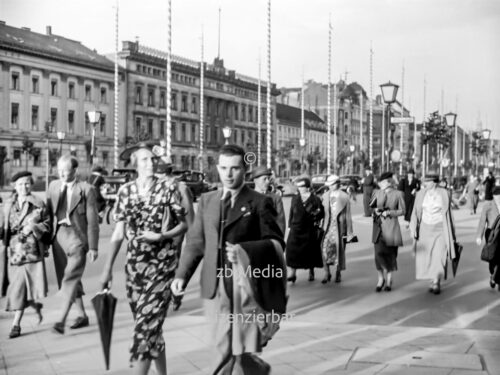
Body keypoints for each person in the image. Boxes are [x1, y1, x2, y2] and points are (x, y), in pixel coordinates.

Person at [171, 144, 286, 375]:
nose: (228, 174)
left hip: (243, 286)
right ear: (217, 168)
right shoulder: (207, 200)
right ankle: (254, 367)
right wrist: (181, 276)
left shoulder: (259, 202)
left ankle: (248, 367)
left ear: (244, 169)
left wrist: (245, 250)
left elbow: (275, 243)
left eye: (234, 168)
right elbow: (195, 241)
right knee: (226, 342)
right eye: (223, 168)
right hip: (214, 286)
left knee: (228, 344)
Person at [100, 143, 188, 375]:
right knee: (152, 329)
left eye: (152, 159)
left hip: (162, 265)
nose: (151, 163)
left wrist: (161, 235)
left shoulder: (167, 188)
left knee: (144, 328)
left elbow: (184, 224)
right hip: (135, 269)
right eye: (145, 160)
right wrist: (107, 269)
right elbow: (119, 233)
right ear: (135, 165)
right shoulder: (125, 191)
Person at [46, 155, 99, 334]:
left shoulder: (86, 189)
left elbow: (92, 221)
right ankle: (82, 315)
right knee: (69, 277)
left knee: (70, 277)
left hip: (77, 237)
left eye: (65, 170)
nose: (61, 173)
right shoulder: (53, 186)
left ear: (75, 171)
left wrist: (93, 247)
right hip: (58, 236)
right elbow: (46, 213)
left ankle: (60, 321)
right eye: (59, 170)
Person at [3, 171, 50, 338]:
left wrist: (33, 227)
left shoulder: (38, 203)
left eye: (27, 183)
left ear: (31, 184)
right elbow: (3, 227)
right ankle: (34, 306)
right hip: (13, 252)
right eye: (20, 184)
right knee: (16, 287)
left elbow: (47, 225)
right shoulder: (8, 204)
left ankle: (16, 324)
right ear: (15, 186)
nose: (24, 187)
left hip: (30, 251)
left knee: (20, 287)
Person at [410, 174, 457, 294]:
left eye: (428, 181)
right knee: (427, 256)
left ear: (435, 182)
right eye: (425, 181)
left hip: (440, 228)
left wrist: (452, 232)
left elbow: (449, 213)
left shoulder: (444, 193)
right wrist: (414, 227)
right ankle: (432, 278)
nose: (425, 183)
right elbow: (415, 211)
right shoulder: (421, 193)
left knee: (439, 254)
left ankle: (436, 281)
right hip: (425, 228)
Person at [370, 171, 405, 292]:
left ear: (388, 182)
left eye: (382, 182)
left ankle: (389, 279)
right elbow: (371, 207)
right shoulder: (376, 193)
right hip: (378, 228)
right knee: (378, 254)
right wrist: (376, 211)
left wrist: (389, 212)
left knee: (390, 255)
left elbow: (402, 210)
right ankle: (380, 278)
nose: (379, 184)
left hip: (391, 228)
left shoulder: (398, 194)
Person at [286, 176, 324, 283]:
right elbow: (291, 213)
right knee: (291, 250)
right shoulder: (295, 198)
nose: (299, 188)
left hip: (308, 229)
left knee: (309, 252)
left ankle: (311, 271)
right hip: (295, 229)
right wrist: (289, 226)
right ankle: (292, 273)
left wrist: (315, 215)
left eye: (301, 186)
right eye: (298, 187)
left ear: (307, 187)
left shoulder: (315, 199)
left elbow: (321, 214)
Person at [321, 175, 353, 284]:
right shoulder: (325, 196)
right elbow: (322, 213)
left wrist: (350, 232)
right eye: (329, 185)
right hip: (327, 227)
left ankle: (338, 273)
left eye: (332, 184)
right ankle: (327, 272)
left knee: (339, 250)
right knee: (325, 249)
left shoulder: (344, 196)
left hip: (339, 227)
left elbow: (348, 215)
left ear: (337, 184)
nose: (330, 187)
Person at [476, 181, 500, 289]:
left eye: (499, 195)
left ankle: (496, 276)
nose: (498, 197)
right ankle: (492, 275)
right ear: (493, 196)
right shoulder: (488, 206)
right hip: (491, 234)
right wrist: (478, 236)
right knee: (493, 257)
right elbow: (482, 221)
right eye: (496, 195)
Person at [251, 166, 286, 235]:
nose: (267, 182)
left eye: (268, 179)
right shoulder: (248, 197)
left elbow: (280, 222)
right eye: (264, 179)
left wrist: (279, 242)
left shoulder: (275, 198)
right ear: (255, 180)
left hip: (270, 240)